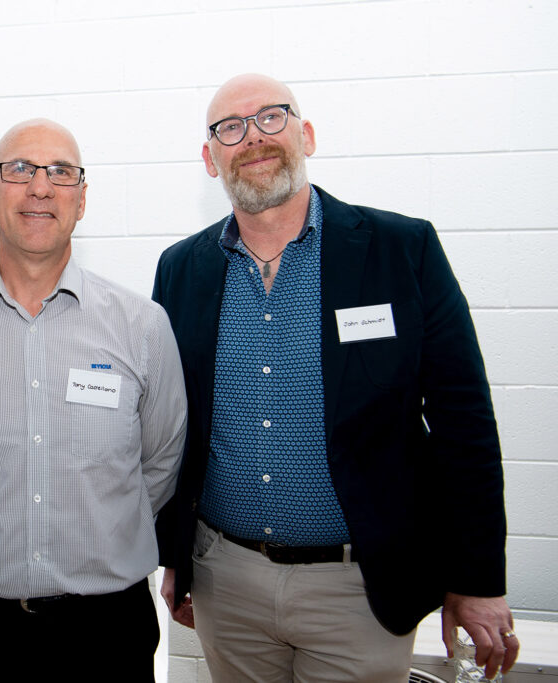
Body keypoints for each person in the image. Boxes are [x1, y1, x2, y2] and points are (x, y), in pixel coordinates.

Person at [153, 74, 518, 682]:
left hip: (360, 589)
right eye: (230, 128)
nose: (253, 137)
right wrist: (175, 557)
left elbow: (465, 424)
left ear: (307, 135)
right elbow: (171, 429)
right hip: (226, 584)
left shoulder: (401, 250)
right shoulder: (180, 269)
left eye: (271, 117)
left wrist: (477, 579)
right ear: (211, 159)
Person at [0, 118, 187, 682]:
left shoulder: (143, 327)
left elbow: (159, 463)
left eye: (60, 172)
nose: (40, 187)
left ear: (82, 198)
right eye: (19, 170)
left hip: (109, 628)